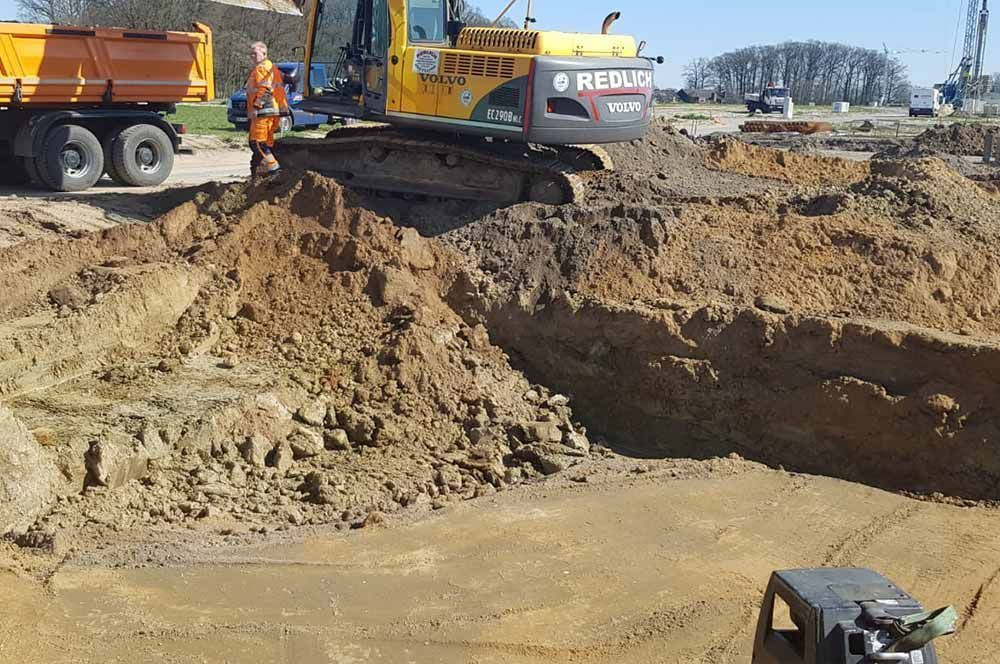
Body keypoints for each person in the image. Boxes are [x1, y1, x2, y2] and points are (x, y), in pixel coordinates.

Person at [246, 41, 291, 176]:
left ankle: (274, 171)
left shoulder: (261, 69)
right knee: (267, 143)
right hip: (273, 111)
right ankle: (261, 172)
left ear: (264, 53)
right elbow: (283, 80)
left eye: (255, 53)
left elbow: (265, 89)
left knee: (257, 143)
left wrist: (256, 107)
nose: (252, 56)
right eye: (251, 54)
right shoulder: (272, 67)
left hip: (263, 111)